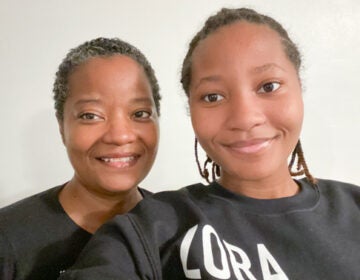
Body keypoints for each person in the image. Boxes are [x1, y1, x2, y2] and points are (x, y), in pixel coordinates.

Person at [58, 8, 360, 280]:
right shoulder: (154, 226)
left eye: (268, 86)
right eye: (213, 96)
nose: (244, 117)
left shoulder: (353, 208)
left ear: (299, 88)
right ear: (191, 109)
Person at [0, 37, 161, 280]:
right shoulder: (8, 238)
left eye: (140, 113)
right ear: (61, 126)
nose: (120, 135)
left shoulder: (180, 230)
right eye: (91, 115)